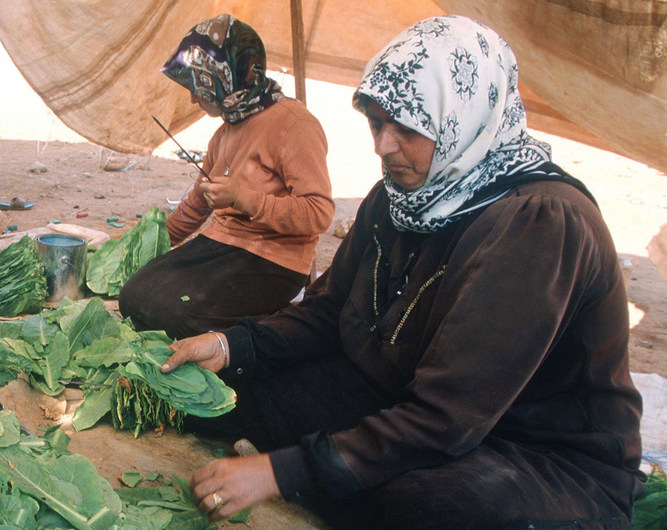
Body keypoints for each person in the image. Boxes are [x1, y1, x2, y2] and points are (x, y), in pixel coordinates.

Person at [162, 15, 643, 528]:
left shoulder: (539, 223)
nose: (382, 146)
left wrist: (281, 472)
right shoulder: (398, 196)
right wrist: (231, 346)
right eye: (376, 123)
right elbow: (327, 311)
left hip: (531, 452)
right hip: (400, 397)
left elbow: (448, 416)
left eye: (407, 128)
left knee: (415, 503)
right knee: (241, 393)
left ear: (461, 119)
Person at [117, 14, 333, 340]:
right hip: (219, 246)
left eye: (199, 86)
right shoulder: (225, 130)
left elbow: (318, 213)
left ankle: (270, 329)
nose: (193, 98)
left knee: (177, 317)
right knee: (133, 297)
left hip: (274, 260)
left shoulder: (294, 123)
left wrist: (242, 198)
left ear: (225, 77)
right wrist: (152, 239)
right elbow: (198, 201)